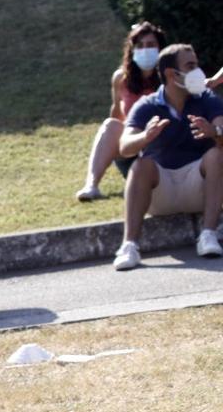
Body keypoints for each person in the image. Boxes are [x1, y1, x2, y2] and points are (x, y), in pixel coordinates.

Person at [113, 43, 223, 270]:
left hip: (198, 188)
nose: (198, 72)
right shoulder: (147, 105)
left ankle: (209, 235)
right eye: (191, 66)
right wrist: (145, 136)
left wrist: (215, 133)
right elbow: (125, 147)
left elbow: (221, 129)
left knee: (217, 155)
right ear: (172, 74)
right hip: (160, 193)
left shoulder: (207, 99)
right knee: (141, 165)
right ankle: (129, 246)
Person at [77, 22, 168, 201]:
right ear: (132, 50)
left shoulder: (170, 78)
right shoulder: (121, 78)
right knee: (111, 125)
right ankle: (92, 185)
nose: (145, 50)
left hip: (161, 153)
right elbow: (117, 114)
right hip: (132, 149)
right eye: (140, 46)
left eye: (151, 45)